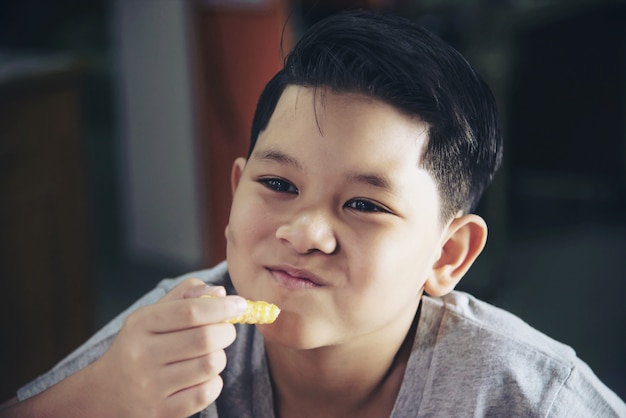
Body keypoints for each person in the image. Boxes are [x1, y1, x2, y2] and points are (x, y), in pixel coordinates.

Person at [2, 9, 625, 418]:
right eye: (277, 183)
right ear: (236, 191)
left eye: (363, 204)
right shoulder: (175, 329)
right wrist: (105, 392)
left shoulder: (531, 396)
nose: (302, 232)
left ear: (447, 254)